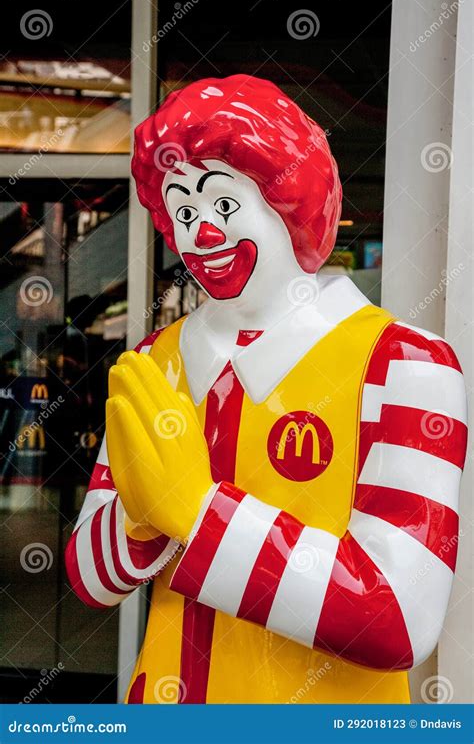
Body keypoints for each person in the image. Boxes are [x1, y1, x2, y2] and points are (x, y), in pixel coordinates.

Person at [65, 75, 467, 704]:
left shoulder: (405, 365)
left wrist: (197, 513)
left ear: (291, 200)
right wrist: (138, 520)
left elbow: (397, 617)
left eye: (224, 205)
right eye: (184, 210)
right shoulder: (154, 361)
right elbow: (90, 579)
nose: (201, 233)